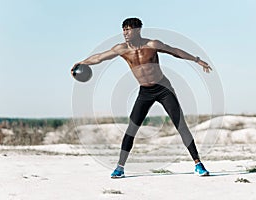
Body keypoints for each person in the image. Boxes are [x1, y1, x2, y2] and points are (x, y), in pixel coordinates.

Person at [72, 17, 212, 178]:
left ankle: (198, 164)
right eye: (123, 29)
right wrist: (82, 62)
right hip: (145, 92)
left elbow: (174, 51)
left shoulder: (152, 45)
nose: (125, 32)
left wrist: (197, 60)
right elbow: (99, 57)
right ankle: (120, 167)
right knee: (131, 129)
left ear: (138, 30)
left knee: (181, 125)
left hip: (164, 89)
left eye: (128, 29)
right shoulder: (121, 49)